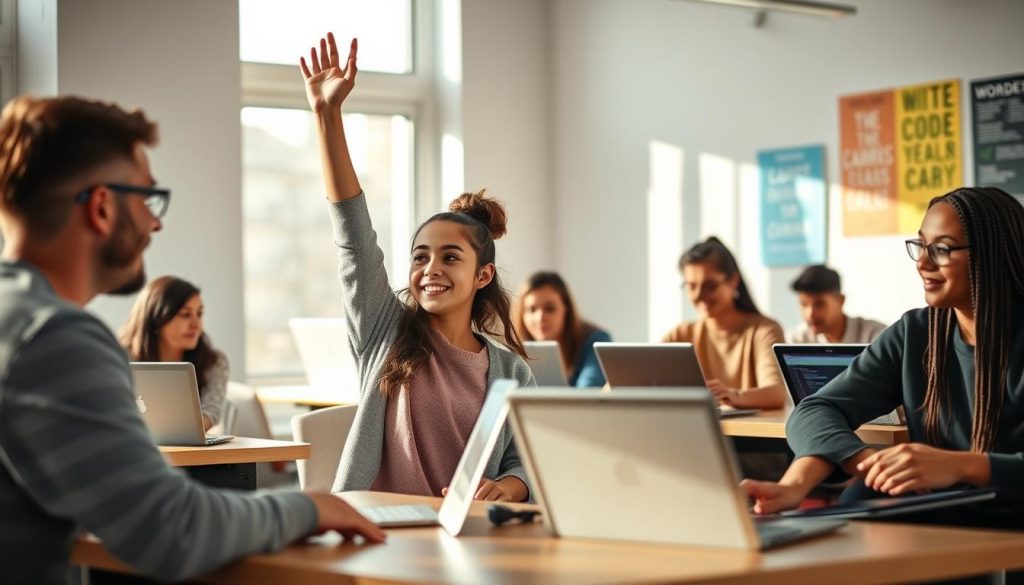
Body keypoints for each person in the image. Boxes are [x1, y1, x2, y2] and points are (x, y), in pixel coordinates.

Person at [0, 96, 384, 584]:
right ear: (101, 207)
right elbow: (172, 529)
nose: (155, 223)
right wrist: (310, 508)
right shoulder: (54, 338)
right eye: (146, 199)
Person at [300, 33, 533, 502]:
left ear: (482, 276)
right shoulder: (383, 330)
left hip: (461, 536)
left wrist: (508, 487)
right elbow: (354, 236)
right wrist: (328, 117)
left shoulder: (509, 370)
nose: (430, 268)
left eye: (451, 257)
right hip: (377, 532)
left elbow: (524, 459)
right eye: (421, 256)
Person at [743, 187, 1024, 531]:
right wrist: (807, 481)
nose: (922, 262)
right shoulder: (916, 332)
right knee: (863, 493)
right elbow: (816, 410)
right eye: (921, 246)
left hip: (1010, 517)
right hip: (944, 510)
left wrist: (962, 466)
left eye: (942, 249)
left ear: (992, 254)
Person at [662, 236, 786, 409]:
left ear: (733, 281)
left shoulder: (763, 330)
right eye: (691, 286)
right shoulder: (680, 334)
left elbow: (777, 393)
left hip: (744, 434)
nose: (698, 296)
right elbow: (622, 385)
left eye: (710, 286)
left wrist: (735, 396)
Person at [121, 276, 228, 431]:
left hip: (186, 450)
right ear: (156, 319)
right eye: (185, 315)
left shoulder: (214, 361)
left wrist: (183, 432)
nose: (196, 324)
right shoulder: (121, 357)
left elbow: (211, 412)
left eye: (199, 314)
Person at [513, 271, 612, 387]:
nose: (540, 318)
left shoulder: (596, 340)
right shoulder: (515, 348)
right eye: (532, 310)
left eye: (550, 308)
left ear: (566, 310)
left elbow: (587, 391)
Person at [786, 264, 887, 344]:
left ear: (841, 301)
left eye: (819, 304)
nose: (810, 314)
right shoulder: (797, 339)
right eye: (803, 304)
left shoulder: (876, 337)